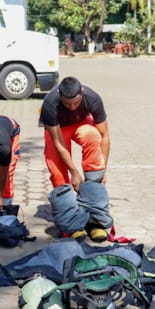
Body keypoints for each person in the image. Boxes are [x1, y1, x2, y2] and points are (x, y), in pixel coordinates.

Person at [40, 76, 112, 240]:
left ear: (82, 93)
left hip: (81, 124)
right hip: (59, 129)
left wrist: (103, 171)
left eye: (76, 103)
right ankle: (71, 220)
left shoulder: (92, 99)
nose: (72, 107)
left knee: (94, 137)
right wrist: (74, 171)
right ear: (60, 95)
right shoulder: (50, 104)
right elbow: (58, 144)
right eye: (67, 104)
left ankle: (94, 219)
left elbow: (105, 137)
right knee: (55, 163)